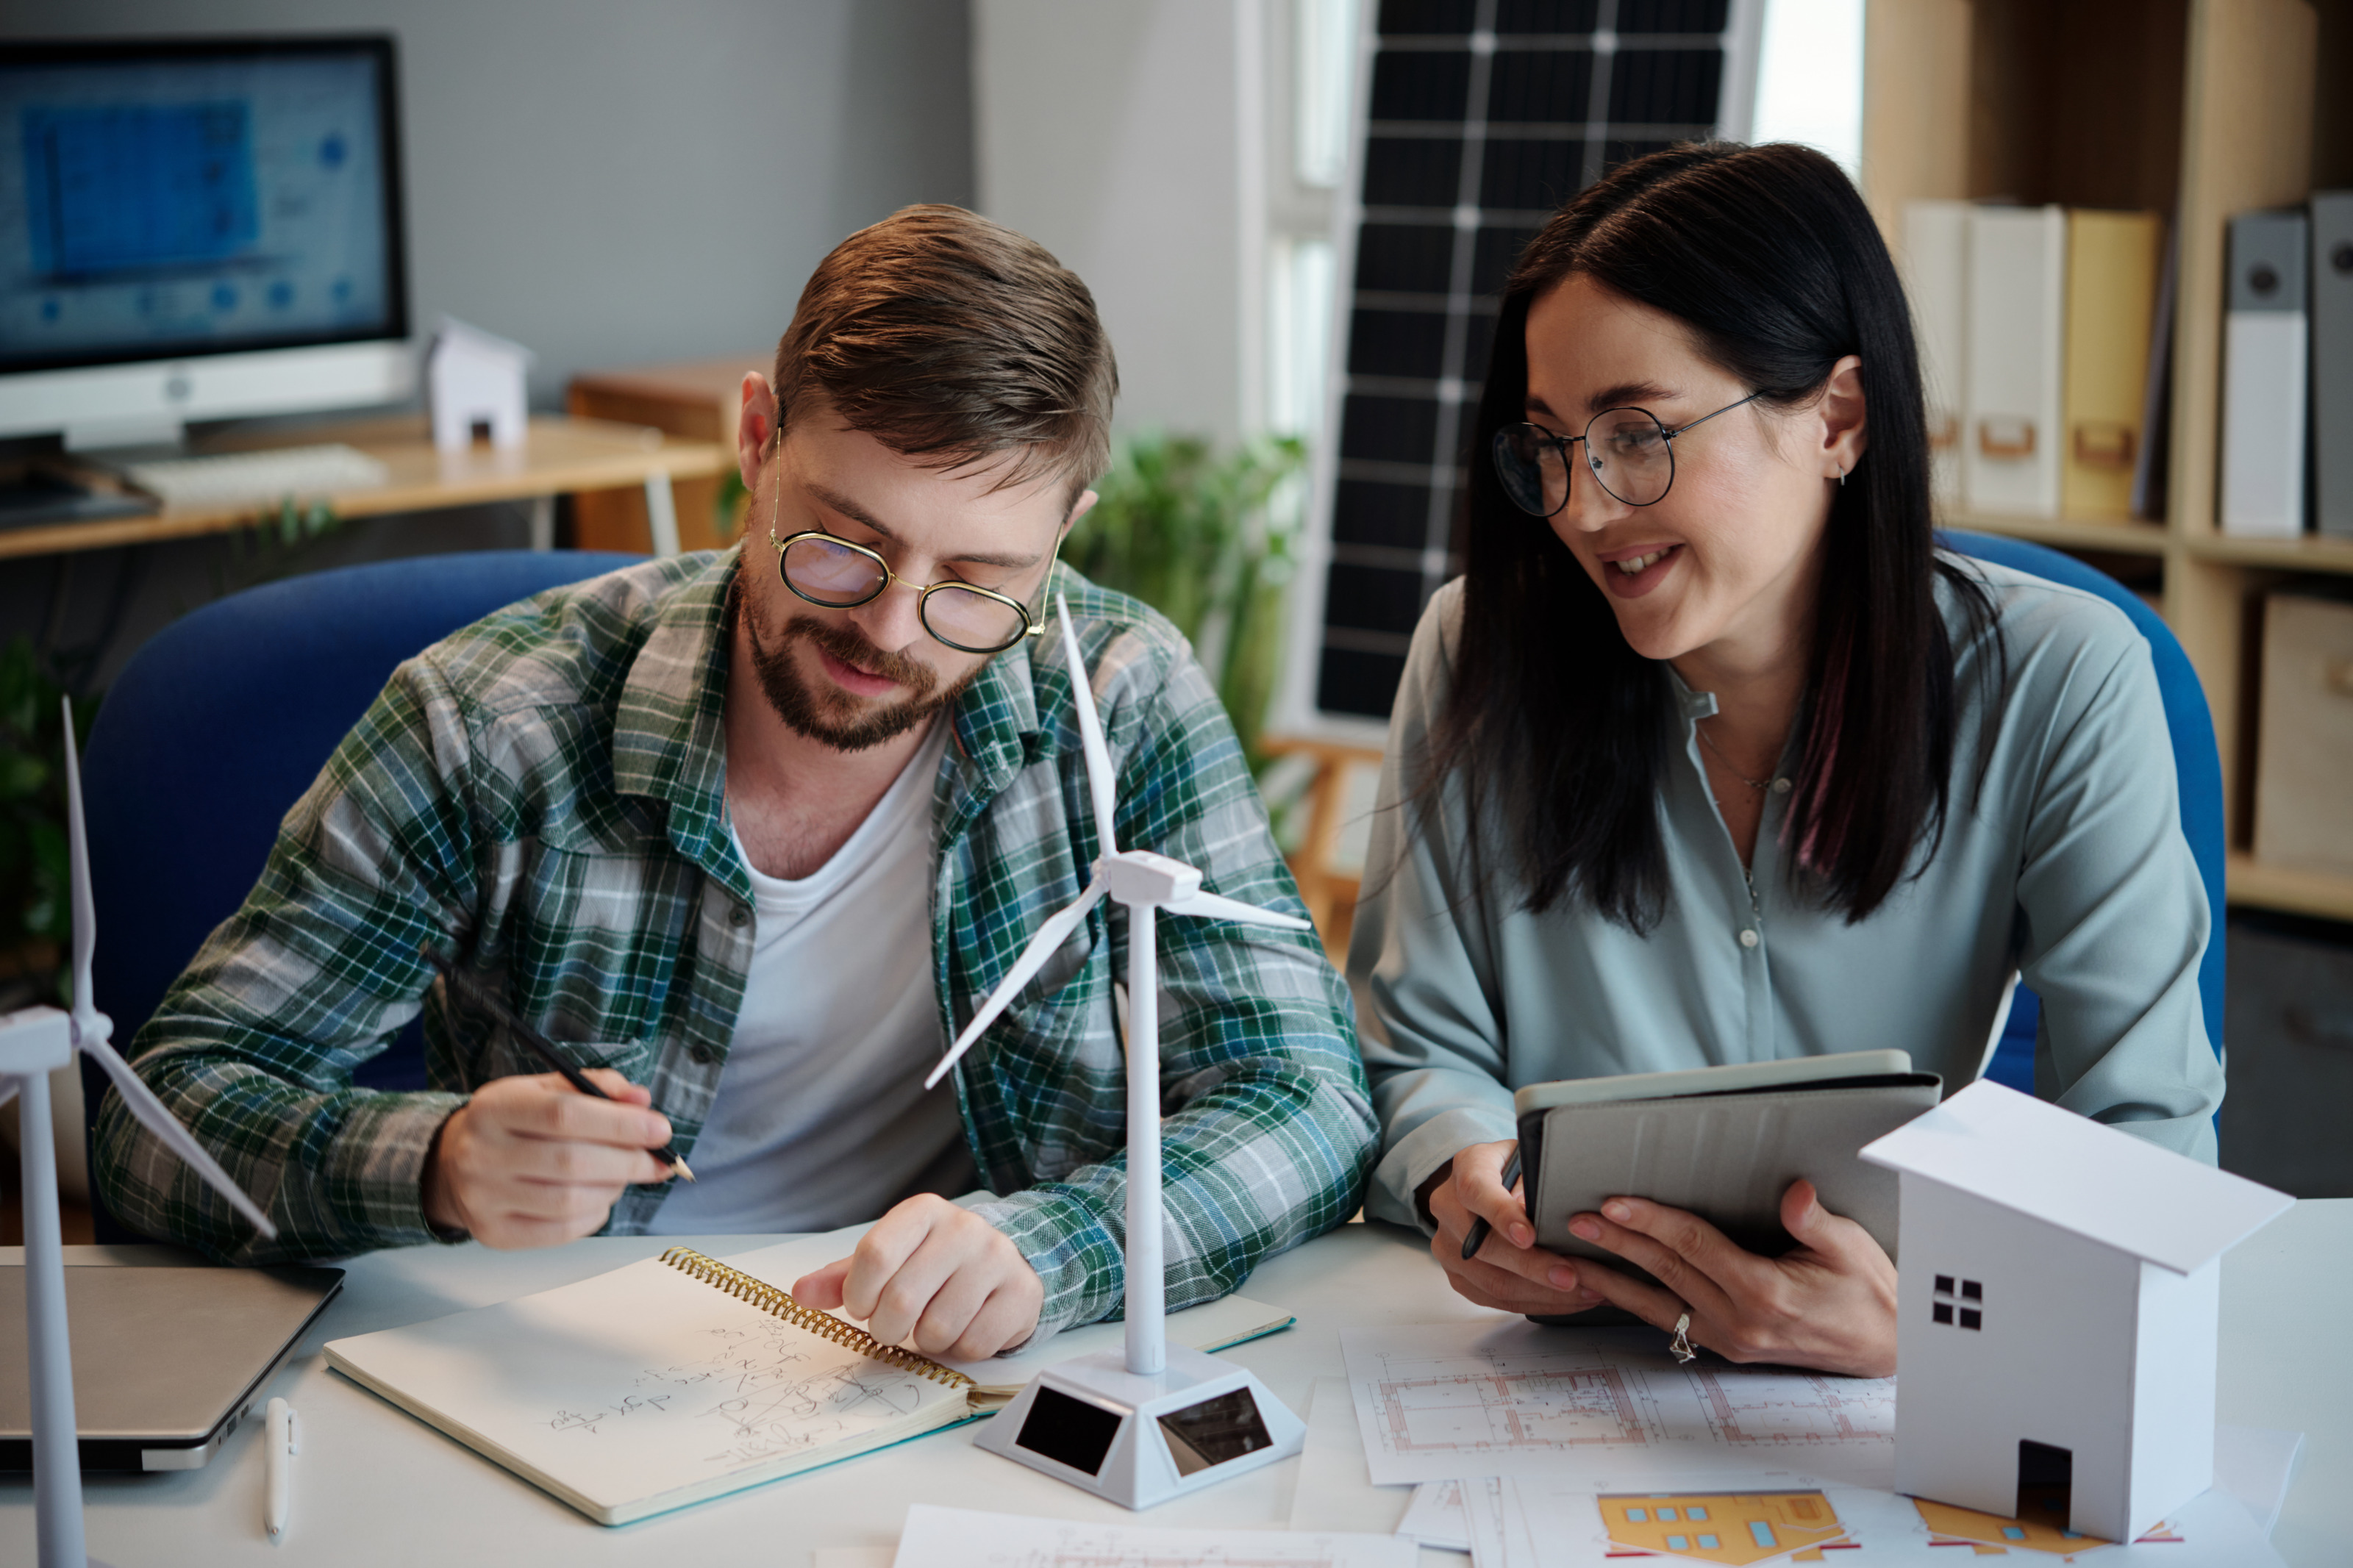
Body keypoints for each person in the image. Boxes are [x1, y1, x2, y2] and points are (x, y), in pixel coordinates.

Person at [96, 204, 1374, 1361]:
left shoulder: (1118, 687)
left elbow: (1306, 1094)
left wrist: (1060, 1247)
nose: (895, 632)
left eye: (980, 582)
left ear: (1064, 534)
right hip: (569, 1359)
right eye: (844, 545)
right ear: (756, 440)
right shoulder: (489, 720)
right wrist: (430, 1161)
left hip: (952, 1373)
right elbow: (158, 1119)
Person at [1352, 144, 2224, 1379]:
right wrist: (1460, 1169)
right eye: (1551, 445)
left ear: (1838, 417)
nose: (1586, 508)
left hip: (1901, 1395)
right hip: (1559, 1370)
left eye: (1639, 434)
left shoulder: (2065, 677)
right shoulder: (1476, 646)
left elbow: (2146, 1156)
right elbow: (1414, 1039)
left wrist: (1938, 1325)